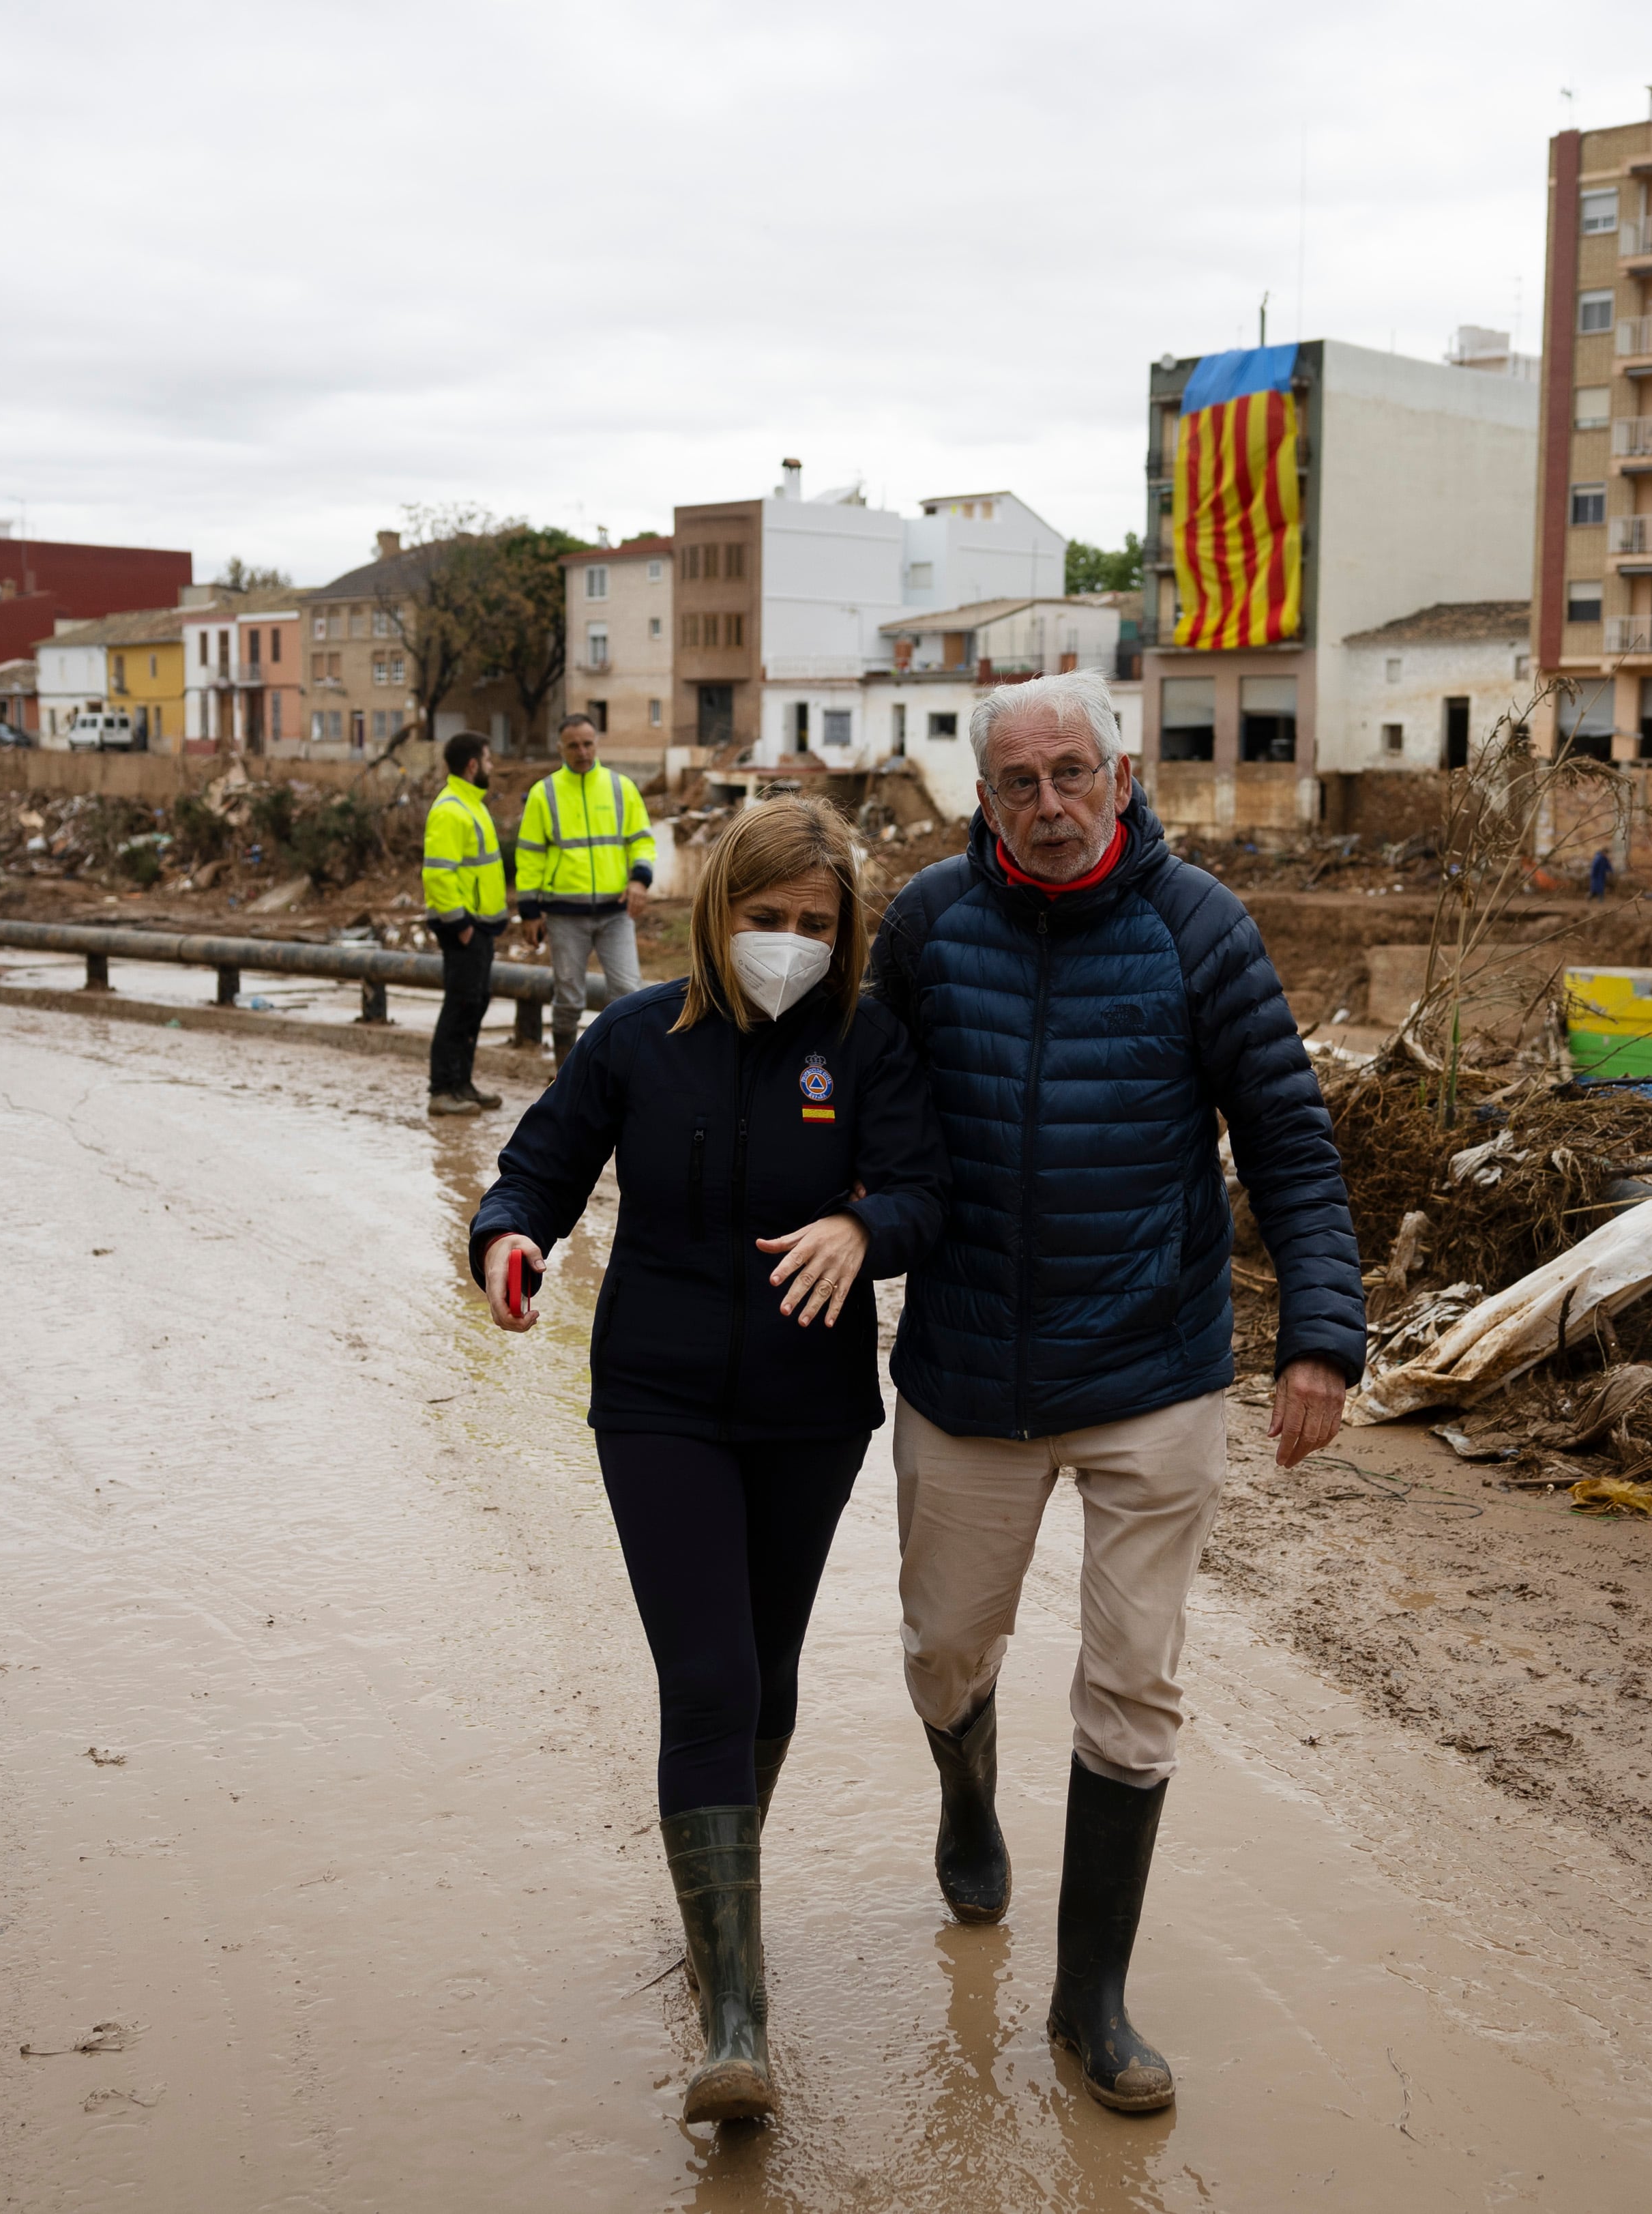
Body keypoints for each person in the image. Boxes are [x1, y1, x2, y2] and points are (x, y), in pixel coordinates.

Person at [867, 667, 1364, 2116]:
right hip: (966, 1367)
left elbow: (1288, 1141)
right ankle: (966, 1785)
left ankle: (1090, 1997)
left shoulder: (1199, 929)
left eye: (1072, 770)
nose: (1048, 802)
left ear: (1125, 773)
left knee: (1133, 1677)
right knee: (942, 1644)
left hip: (1153, 1371)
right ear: (984, 794)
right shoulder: (922, 925)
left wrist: (1319, 1335)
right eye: (1017, 780)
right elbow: (858, 1113)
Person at [468, 796, 945, 2127]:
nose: (786, 942)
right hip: (657, 1400)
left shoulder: (864, 1044)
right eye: (763, 915)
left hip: (809, 1408)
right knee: (712, 1672)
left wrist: (864, 1228)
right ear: (714, 907)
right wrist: (506, 1240)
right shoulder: (632, 1038)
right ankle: (736, 2009)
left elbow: (923, 1186)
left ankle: (719, 1906)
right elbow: (535, 1173)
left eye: (813, 923)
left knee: (769, 1671)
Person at [515, 712, 658, 1055]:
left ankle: (622, 1071)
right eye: (574, 746)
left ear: (597, 743)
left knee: (628, 992)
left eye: (588, 743)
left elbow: (642, 841)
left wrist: (640, 881)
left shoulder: (621, 788)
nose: (582, 752)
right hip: (565, 915)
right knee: (568, 998)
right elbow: (530, 856)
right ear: (561, 748)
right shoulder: (543, 793)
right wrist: (529, 910)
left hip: (616, 912)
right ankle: (564, 1077)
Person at [422, 733, 508, 1116]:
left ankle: (462, 1084)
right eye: (488, 760)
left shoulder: (472, 805)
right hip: (465, 927)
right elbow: (438, 875)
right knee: (460, 1005)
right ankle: (442, 1090)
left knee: (475, 1003)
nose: (492, 767)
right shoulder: (451, 809)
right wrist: (460, 925)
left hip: (480, 926)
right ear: (473, 765)